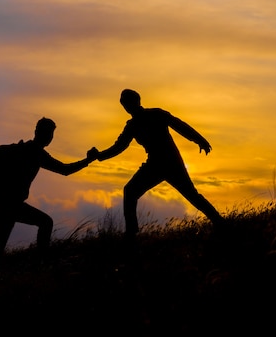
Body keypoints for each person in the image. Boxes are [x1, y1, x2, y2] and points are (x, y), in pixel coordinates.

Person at [95, 89, 225, 241]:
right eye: (124, 103)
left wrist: (200, 140)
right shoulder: (132, 126)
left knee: (191, 195)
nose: (126, 105)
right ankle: (131, 233)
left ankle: (220, 223)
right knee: (130, 191)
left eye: (127, 102)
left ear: (137, 101)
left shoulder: (156, 114)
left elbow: (180, 125)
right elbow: (118, 147)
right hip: (155, 164)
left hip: (170, 162)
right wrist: (99, 156)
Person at [0, 117, 98, 258]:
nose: (50, 137)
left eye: (51, 134)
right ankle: (42, 259)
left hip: (1, 202)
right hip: (9, 204)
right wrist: (88, 160)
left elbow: (63, 169)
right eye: (48, 133)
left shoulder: (25, 149)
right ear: (38, 132)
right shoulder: (36, 153)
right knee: (45, 223)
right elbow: (65, 170)